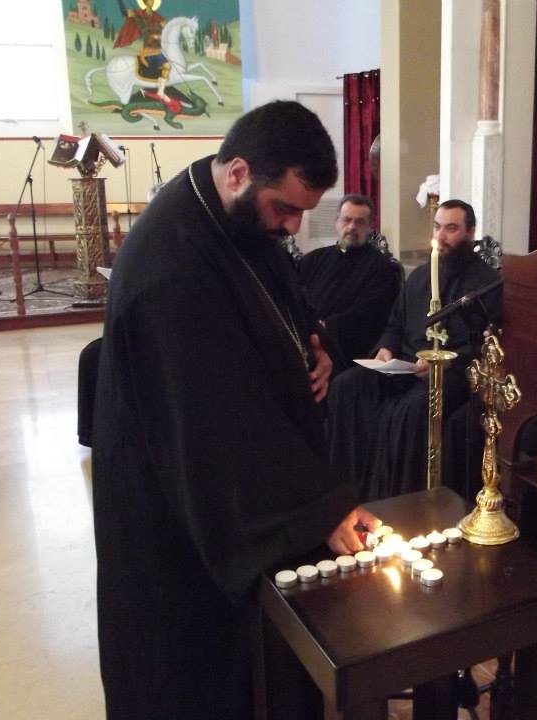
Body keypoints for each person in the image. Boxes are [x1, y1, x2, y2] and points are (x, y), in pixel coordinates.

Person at [92, 100, 378, 719]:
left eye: (304, 212)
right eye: (286, 209)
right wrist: (319, 506)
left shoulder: (232, 212)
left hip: (226, 459)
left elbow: (278, 295)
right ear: (239, 172)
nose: (294, 227)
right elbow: (218, 426)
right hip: (180, 513)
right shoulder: (169, 272)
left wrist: (312, 343)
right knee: (198, 674)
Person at [326, 200, 502, 502]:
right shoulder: (419, 276)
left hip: (452, 374)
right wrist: (385, 348)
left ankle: (400, 501)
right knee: (346, 387)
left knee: (411, 410)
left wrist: (446, 363)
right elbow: (395, 323)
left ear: (470, 232)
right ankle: (347, 493)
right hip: (405, 365)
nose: (441, 236)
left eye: (451, 228)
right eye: (437, 227)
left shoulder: (488, 283)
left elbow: (487, 345)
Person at [298, 194, 401, 375]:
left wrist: (325, 328)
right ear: (336, 222)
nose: (352, 227)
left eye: (360, 222)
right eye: (347, 220)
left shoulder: (382, 268)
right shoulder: (312, 260)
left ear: (370, 227)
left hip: (345, 352)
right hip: (304, 340)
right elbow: (295, 299)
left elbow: (370, 316)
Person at [113, 0, 172, 102]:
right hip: (150, 51)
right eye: (149, 0)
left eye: (153, 0)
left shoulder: (158, 17)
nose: (151, 1)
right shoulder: (138, 15)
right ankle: (160, 91)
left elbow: (167, 31)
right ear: (144, 2)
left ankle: (161, 88)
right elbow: (124, 12)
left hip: (159, 50)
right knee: (167, 66)